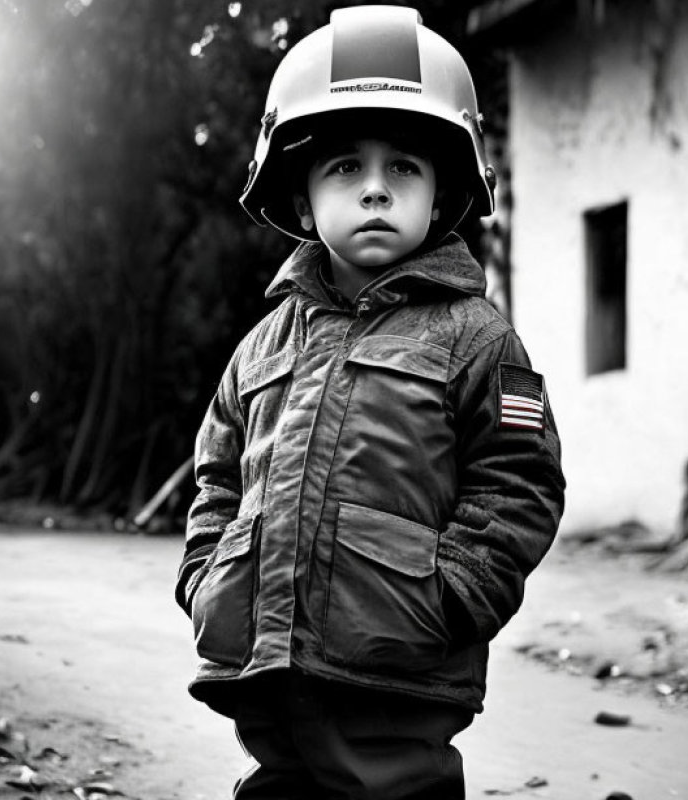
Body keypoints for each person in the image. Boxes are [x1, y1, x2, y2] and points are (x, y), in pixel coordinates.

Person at [175, 6, 565, 799]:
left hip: (401, 667)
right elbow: (216, 477)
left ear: (444, 190)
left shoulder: (475, 338)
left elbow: (520, 482)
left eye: (405, 169)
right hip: (266, 661)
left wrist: (453, 593)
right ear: (302, 191)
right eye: (346, 168)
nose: (377, 189)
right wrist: (207, 576)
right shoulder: (260, 346)